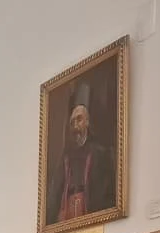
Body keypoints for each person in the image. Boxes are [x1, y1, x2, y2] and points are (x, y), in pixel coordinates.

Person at [46, 81, 115, 225]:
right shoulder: (66, 158)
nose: (75, 126)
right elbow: (55, 193)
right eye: (72, 122)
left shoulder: (99, 153)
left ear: (88, 122)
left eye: (79, 120)